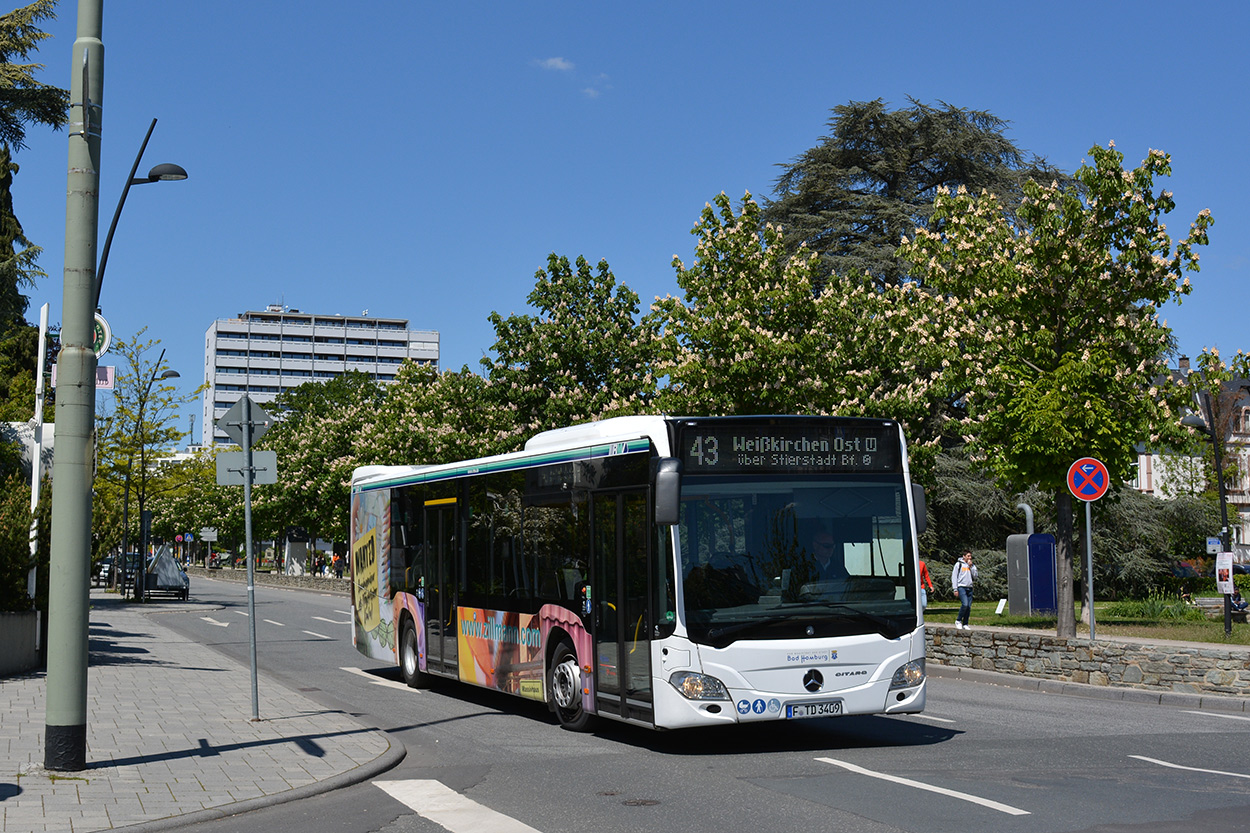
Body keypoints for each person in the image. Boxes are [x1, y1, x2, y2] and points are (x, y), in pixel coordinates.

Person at [951, 551, 977, 630]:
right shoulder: (958, 564)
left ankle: (965, 623)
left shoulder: (972, 566)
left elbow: (975, 576)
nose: (970, 558)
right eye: (968, 556)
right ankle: (958, 620)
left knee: (968, 607)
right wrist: (955, 588)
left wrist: (971, 567)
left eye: (970, 556)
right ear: (964, 556)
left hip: (969, 587)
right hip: (961, 587)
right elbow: (954, 576)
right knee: (965, 604)